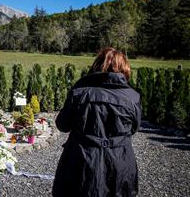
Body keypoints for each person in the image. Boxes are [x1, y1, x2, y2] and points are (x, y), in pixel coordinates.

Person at [52, 47, 141, 197]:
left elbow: (62, 125)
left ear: (97, 65)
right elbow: (134, 128)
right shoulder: (132, 97)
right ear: (124, 68)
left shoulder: (79, 92)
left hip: (81, 162)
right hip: (120, 162)